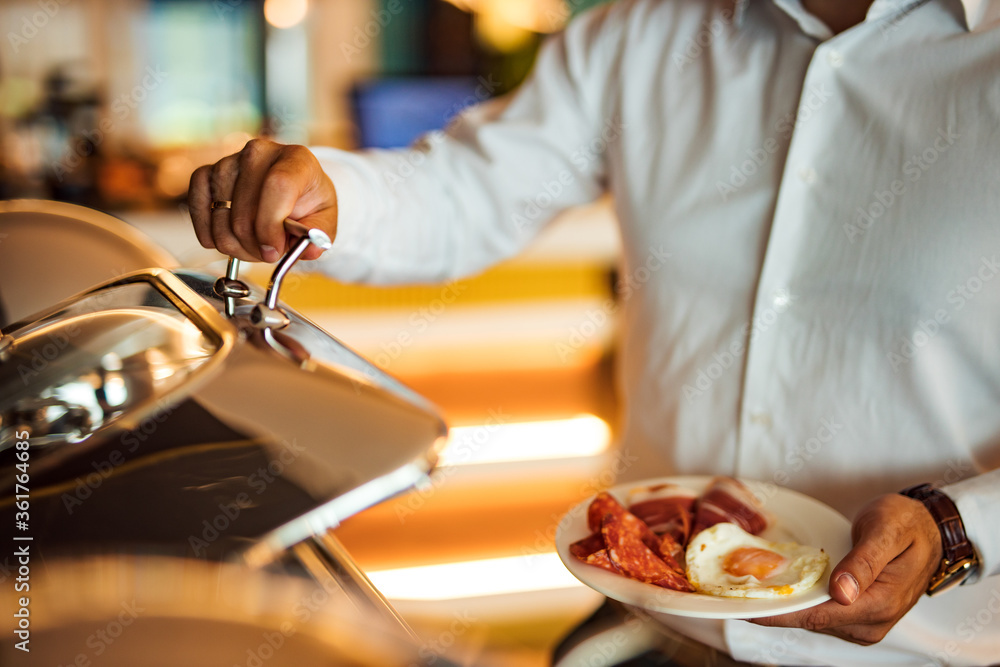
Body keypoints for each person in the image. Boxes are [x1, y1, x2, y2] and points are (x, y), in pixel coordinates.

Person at [188, 0, 1000, 664]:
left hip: (928, 652)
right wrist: (331, 194)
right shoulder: (648, 29)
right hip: (654, 635)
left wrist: (960, 527)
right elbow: (469, 189)